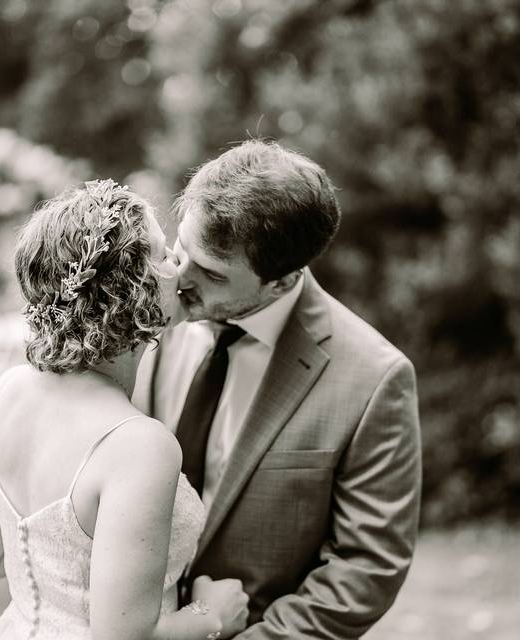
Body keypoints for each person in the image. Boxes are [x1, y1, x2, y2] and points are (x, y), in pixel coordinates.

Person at [133, 141, 422, 639]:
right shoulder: (147, 318)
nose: (179, 277)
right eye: (184, 247)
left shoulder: (374, 379)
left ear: (281, 280)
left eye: (213, 273)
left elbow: (364, 570)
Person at [0, 179, 249, 640]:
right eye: (166, 254)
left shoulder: (5, 393)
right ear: (133, 291)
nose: (181, 264)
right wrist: (213, 614)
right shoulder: (138, 445)